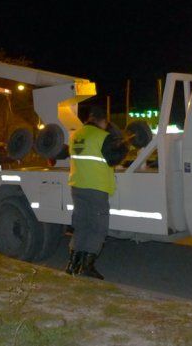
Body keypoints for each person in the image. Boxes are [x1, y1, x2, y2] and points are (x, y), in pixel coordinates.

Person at [65, 106, 118, 280]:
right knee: (97, 229)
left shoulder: (75, 135)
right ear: (103, 122)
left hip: (78, 187)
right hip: (96, 189)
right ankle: (86, 267)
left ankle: (72, 265)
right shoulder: (102, 137)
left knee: (81, 226)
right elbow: (115, 158)